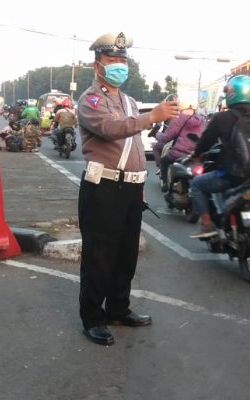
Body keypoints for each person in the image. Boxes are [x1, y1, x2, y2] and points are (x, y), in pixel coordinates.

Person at [76, 32, 179, 346]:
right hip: (103, 188)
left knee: (126, 255)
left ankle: (119, 309)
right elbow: (110, 129)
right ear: (98, 66)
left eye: (123, 60)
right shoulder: (91, 100)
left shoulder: (129, 101)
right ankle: (93, 318)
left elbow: (134, 146)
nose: (120, 65)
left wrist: (141, 185)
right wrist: (152, 117)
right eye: (113, 61)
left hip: (131, 190)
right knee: (99, 256)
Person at [188, 75, 250, 238]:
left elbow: (206, 141)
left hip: (232, 175)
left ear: (232, 93)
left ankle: (207, 225)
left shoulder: (222, 118)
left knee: (197, 184)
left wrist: (196, 155)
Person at [156, 101, 207, 193]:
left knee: (164, 161)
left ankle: (165, 184)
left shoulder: (178, 119)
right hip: (197, 154)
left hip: (179, 153)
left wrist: (157, 135)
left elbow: (166, 138)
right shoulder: (202, 120)